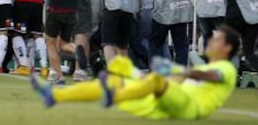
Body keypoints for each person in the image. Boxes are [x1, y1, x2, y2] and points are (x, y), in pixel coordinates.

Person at [31, 25, 240, 119]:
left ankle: (113, 95)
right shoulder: (204, 67)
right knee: (115, 75)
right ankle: (54, 95)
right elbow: (183, 77)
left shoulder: (226, 68)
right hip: (163, 102)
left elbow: (211, 77)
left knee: (153, 81)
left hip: (188, 107)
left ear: (227, 48)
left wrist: (178, 72)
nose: (211, 41)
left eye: (217, 39)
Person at [3, 0, 48, 77]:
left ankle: (23, 66)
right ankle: (44, 67)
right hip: (38, 2)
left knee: (17, 33)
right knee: (36, 34)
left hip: (22, 1)